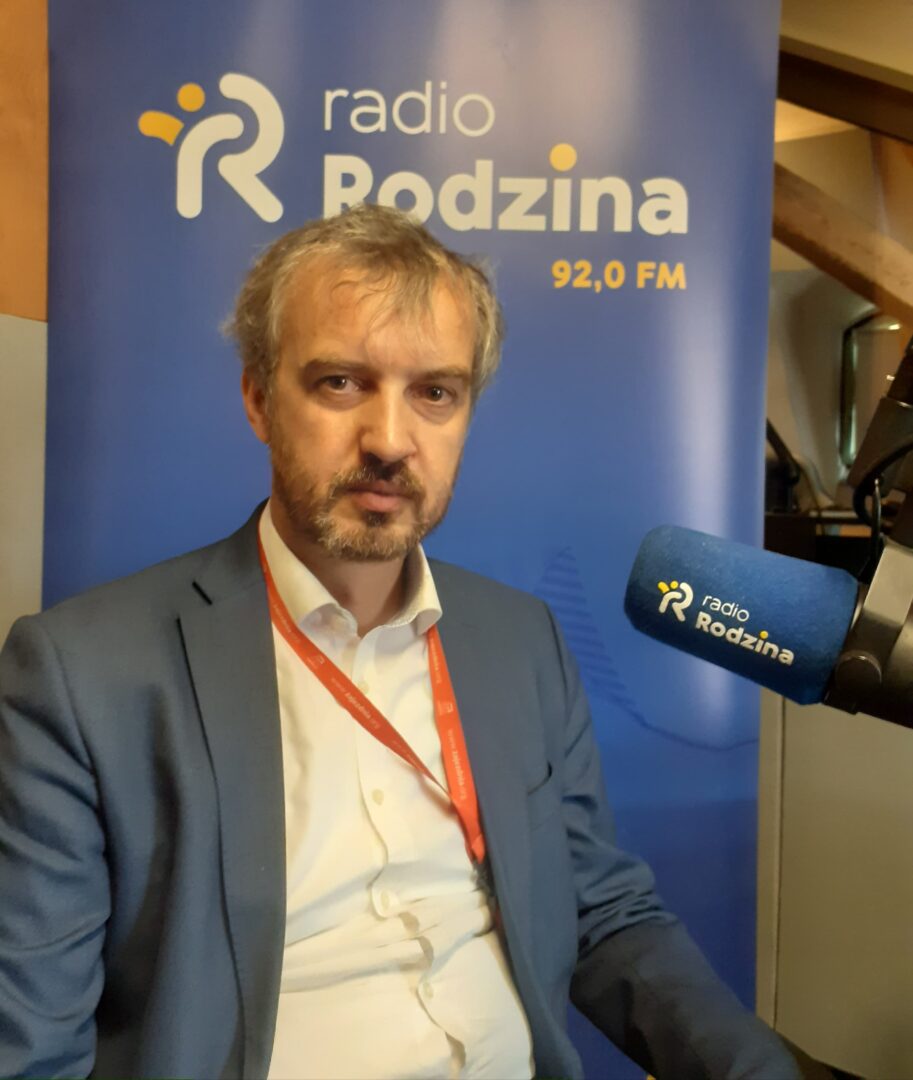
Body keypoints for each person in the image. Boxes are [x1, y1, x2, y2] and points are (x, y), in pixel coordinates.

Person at [0, 204, 800, 1079]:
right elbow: (31, 1049)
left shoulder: (519, 640)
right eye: (341, 383)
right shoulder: (82, 675)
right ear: (259, 400)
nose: (389, 440)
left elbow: (600, 909)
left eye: (434, 393)